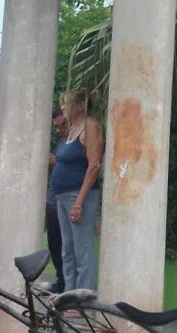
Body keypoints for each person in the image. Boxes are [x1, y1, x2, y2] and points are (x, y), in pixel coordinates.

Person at [53, 89, 102, 291]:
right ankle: (69, 294)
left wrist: (79, 202)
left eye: (67, 103)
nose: (63, 107)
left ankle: (83, 298)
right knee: (68, 250)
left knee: (82, 249)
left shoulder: (90, 126)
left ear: (81, 106)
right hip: (62, 195)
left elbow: (94, 166)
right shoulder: (72, 128)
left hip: (78, 195)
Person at [46, 109, 66, 293]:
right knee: (54, 243)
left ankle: (68, 283)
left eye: (61, 126)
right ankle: (60, 280)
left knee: (67, 245)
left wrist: (55, 163)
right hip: (52, 199)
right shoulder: (60, 143)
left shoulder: (75, 143)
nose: (58, 130)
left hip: (66, 200)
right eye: (56, 127)